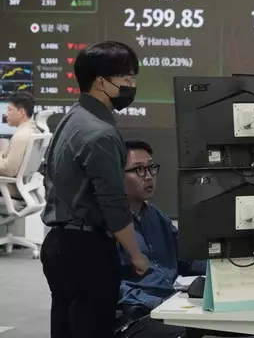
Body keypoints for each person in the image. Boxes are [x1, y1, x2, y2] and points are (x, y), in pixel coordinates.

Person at [40, 41, 150, 338]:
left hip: (58, 245)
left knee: (66, 328)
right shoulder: (101, 133)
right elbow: (113, 204)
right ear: (101, 81)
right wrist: (135, 252)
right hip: (86, 250)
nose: (131, 86)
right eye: (127, 79)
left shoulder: (72, 118)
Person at [115, 140, 206, 338]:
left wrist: (231, 269)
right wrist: (158, 303)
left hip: (171, 307)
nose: (148, 177)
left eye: (151, 168)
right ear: (116, 175)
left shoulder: (157, 217)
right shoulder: (110, 226)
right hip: (135, 318)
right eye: (138, 170)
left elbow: (187, 258)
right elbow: (112, 288)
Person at [0, 91, 40, 196]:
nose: (6, 114)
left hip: (10, 189)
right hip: (23, 188)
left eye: (9, 110)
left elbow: (8, 170)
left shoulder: (21, 136)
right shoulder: (31, 130)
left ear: (21, 112)